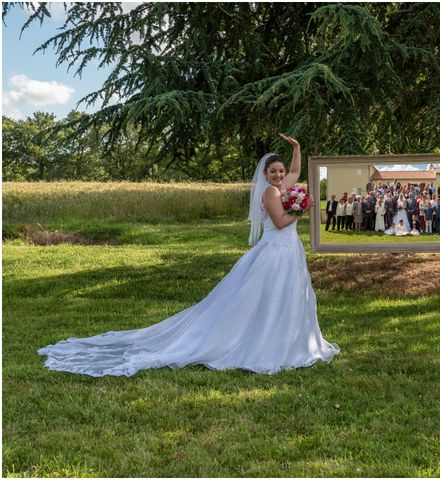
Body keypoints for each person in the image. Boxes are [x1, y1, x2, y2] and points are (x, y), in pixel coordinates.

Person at [37, 134, 340, 377]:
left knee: (286, 297)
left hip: (288, 251)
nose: (280, 175)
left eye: (281, 171)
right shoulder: (271, 193)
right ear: (264, 174)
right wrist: (301, 210)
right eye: (274, 171)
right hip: (276, 250)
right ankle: (263, 345)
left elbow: (298, 171)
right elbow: (280, 222)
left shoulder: (283, 183)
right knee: (268, 298)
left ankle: (286, 342)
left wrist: (297, 148)